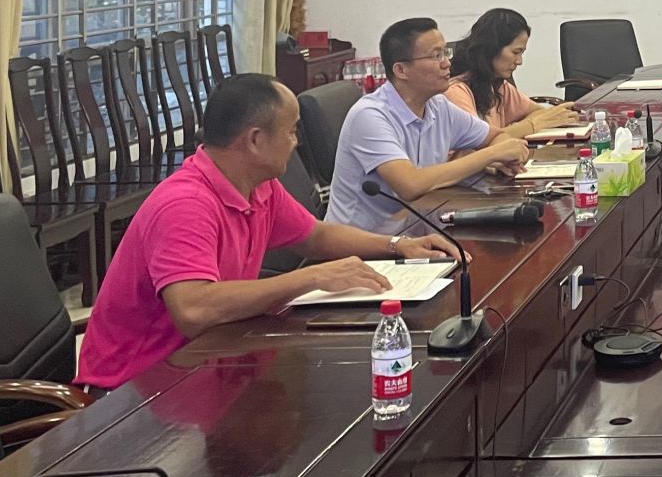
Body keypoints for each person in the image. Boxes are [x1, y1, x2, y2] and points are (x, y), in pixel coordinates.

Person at [75, 73, 460, 391]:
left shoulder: (258, 185)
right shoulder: (185, 204)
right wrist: (310, 278)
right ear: (256, 140)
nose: (296, 142)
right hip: (138, 386)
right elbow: (193, 309)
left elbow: (315, 236)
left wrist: (398, 246)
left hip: (211, 356)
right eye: (291, 131)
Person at [327, 16, 528, 234]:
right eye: (436, 56)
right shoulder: (370, 116)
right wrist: (491, 155)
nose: (447, 63)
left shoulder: (438, 106)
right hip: (362, 244)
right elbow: (410, 185)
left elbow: (496, 137)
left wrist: (504, 156)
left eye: (445, 53)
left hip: (417, 232)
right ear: (401, 70)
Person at [445, 7, 580, 138]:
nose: (519, 61)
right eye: (516, 52)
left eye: (521, 53)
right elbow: (480, 143)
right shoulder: (456, 92)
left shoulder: (498, 86)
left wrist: (520, 127)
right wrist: (530, 125)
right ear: (491, 48)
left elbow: (539, 113)